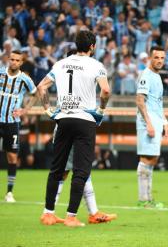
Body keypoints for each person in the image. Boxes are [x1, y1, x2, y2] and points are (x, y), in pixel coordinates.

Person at [37, 30, 111, 227]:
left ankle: (48, 213)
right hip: (85, 120)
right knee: (81, 170)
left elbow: (41, 87)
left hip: (63, 119)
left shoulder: (60, 64)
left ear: (76, 45)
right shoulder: (96, 65)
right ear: (92, 46)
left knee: (56, 169)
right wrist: (101, 110)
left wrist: (48, 110)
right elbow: (105, 90)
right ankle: (71, 216)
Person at [136, 46, 168, 208]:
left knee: (153, 158)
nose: (159, 61)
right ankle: (143, 199)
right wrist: (149, 123)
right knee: (146, 158)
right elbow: (140, 101)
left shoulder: (157, 76)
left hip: (156, 121)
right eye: (156, 57)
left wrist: (165, 122)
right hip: (147, 122)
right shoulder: (146, 75)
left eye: (162, 58)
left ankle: (148, 198)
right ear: (150, 58)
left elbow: (158, 102)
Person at [1, 50, 38, 203]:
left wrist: (25, 110)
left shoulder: (24, 79)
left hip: (12, 122)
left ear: (21, 63)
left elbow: (36, 94)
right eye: (12, 59)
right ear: (8, 60)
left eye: (17, 60)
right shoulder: (1, 73)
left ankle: (9, 192)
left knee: (12, 156)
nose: (14, 62)